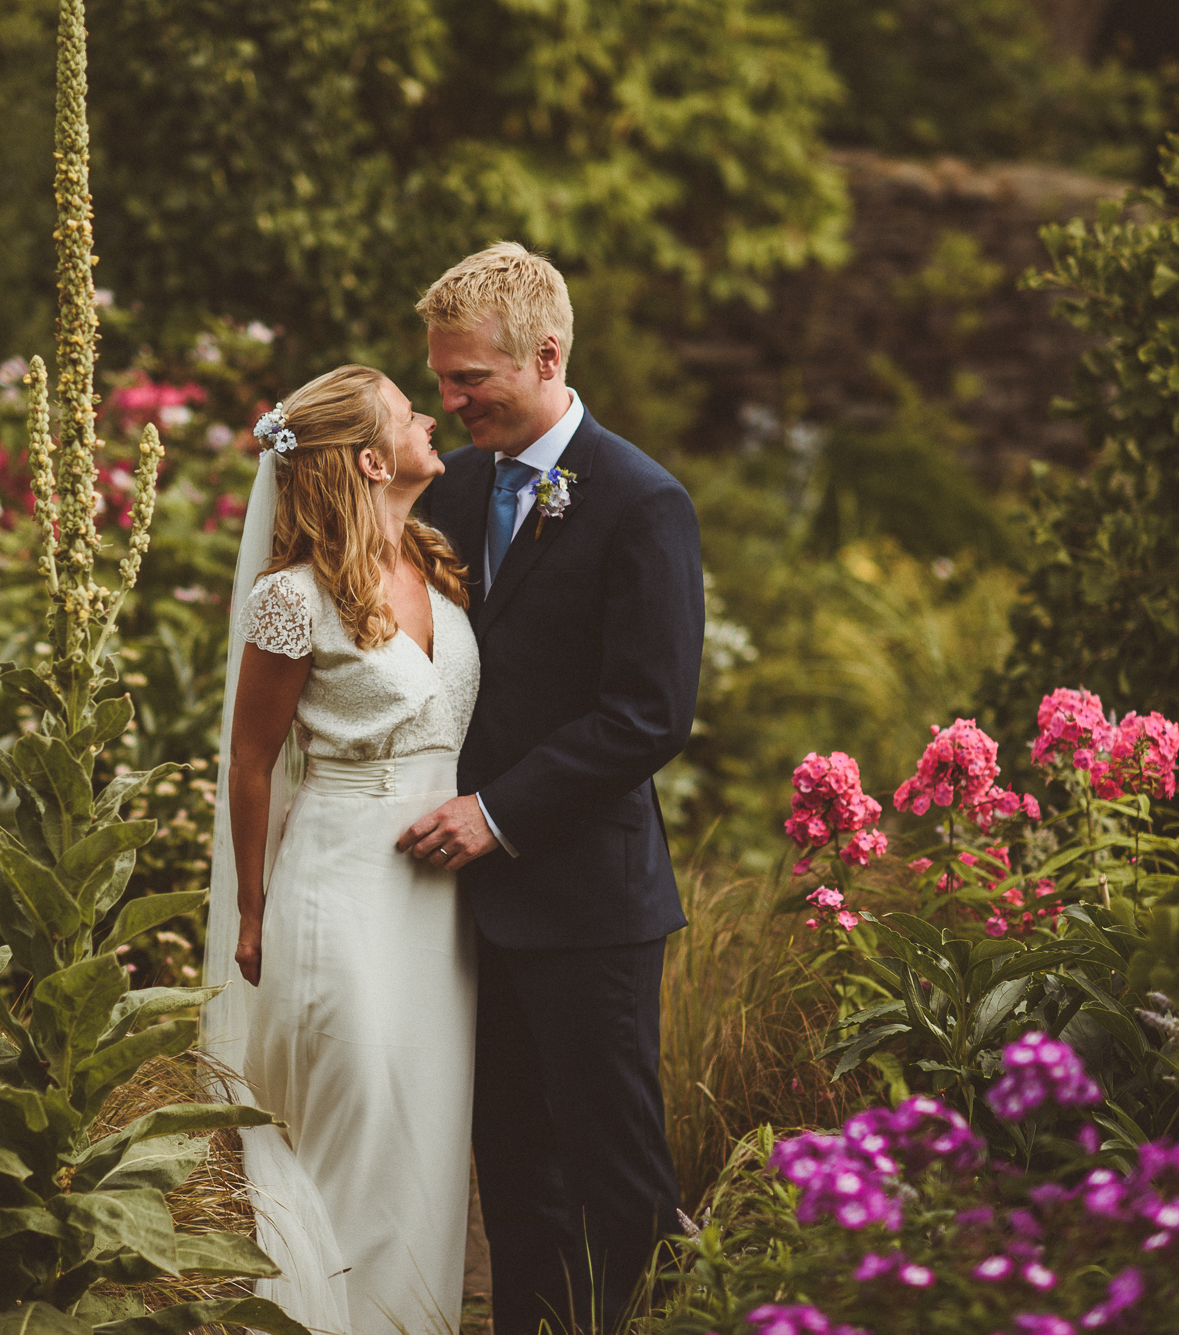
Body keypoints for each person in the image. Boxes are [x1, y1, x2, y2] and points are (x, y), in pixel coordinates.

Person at [399, 243, 707, 1335]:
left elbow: (648, 713)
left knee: (616, 1180)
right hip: (465, 911)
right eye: (438, 379)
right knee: (516, 1178)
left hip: (586, 906)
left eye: (466, 379)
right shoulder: (457, 484)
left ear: (542, 355)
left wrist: (497, 813)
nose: (448, 401)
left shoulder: (641, 502)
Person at [201, 364, 480, 1335]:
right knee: (351, 1121)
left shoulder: (433, 567)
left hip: (438, 906)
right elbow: (249, 761)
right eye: (410, 413)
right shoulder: (289, 598)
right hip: (338, 888)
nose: (430, 419)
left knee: (422, 1137)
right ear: (370, 459)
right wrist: (250, 907)